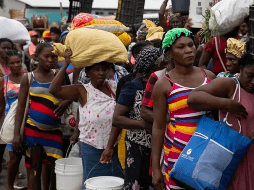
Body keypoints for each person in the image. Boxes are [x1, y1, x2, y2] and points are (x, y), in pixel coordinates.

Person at [49, 49, 123, 189]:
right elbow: (54, 89)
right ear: (88, 73)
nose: (101, 73)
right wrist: (66, 64)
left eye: (104, 69)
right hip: (91, 147)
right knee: (93, 183)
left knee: (114, 184)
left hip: (114, 146)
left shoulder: (114, 88)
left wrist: (110, 147)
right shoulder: (82, 90)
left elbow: (119, 117)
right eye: (97, 69)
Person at [151, 28, 215, 190]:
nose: (188, 50)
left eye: (191, 45)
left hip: (207, 152)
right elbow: (158, 127)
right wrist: (156, 169)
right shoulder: (164, 84)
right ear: (170, 53)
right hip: (177, 153)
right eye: (181, 47)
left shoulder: (210, 77)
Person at [187, 52, 254, 190]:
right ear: (240, 69)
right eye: (250, 76)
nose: (253, 82)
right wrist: (226, 104)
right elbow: (193, 98)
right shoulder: (230, 85)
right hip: (230, 156)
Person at [13, 43, 70, 190]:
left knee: (55, 171)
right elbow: (20, 108)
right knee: (35, 170)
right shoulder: (28, 78)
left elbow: (71, 93)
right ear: (36, 57)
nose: (51, 60)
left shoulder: (59, 75)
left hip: (55, 131)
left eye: (54, 56)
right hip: (32, 131)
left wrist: (65, 101)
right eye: (47, 56)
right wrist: (16, 135)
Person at [107, 47, 162, 189]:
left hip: (161, 146)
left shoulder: (164, 85)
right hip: (138, 148)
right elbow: (117, 118)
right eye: (162, 64)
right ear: (153, 67)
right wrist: (144, 125)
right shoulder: (133, 87)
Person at [0, 50, 27, 190]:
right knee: (13, 157)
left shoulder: (28, 78)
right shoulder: (3, 81)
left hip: (27, 121)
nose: (16, 65)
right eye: (12, 63)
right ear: (6, 65)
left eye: (18, 62)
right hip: (11, 123)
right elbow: (1, 106)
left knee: (28, 155)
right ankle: (12, 183)